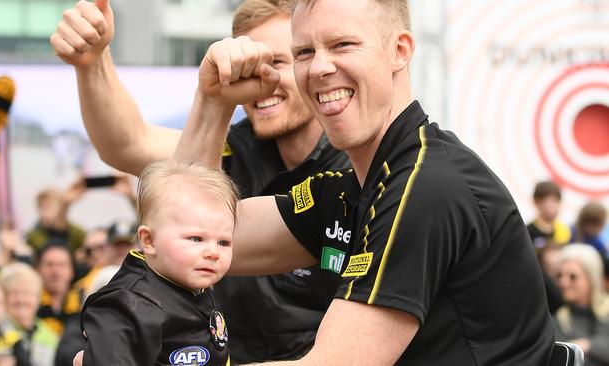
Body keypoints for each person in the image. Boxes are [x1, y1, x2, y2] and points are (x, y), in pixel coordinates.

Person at [65, 0, 556, 364]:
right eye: (303, 52)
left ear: (400, 50)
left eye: (342, 44)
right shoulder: (349, 188)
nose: (319, 67)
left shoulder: (425, 185)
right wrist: (214, 102)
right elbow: (186, 231)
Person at [50, 0, 350, 363]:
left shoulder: (356, 171)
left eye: (278, 62)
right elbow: (126, 144)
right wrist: (93, 62)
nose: (261, 81)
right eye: (247, 66)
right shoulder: (227, 145)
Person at [79, 159, 238, 365]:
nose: (213, 252)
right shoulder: (127, 306)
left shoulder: (194, 286)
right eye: (196, 239)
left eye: (224, 242)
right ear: (149, 240)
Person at [553, 244, 609, 366]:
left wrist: (586, 345)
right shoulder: (558, 320)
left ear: (591, 278)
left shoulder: (606, 311)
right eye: (559, 275)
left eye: (573, 276)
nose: (563, 282)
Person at [0, 262, 59, 366]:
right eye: (14, 293)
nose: (21, 300)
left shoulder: (50, 336)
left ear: (38, 299)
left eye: (27, 293)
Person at [35, 244, 81, 336]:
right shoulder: (31, 304)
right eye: (49, 264)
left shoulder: (83, 303)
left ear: (72, 271)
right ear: (38, 269)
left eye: (62, 265)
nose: (56, 271)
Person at [527, 180, 571, 250]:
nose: (555, 206)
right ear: (537, 202)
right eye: (550, 201)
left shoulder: (564, 230)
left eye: (557, 201)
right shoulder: (527, 232)